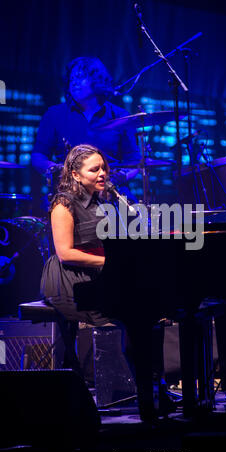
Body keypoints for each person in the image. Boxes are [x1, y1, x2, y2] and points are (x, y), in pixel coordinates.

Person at [40, 143, 174, 423]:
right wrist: (109, 263)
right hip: (70, 277)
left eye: (104, 168)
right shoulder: (63, 204)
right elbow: (65, 253)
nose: (102, 173)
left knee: (152, 310)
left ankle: (153, 387)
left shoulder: (106, 201)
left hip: (101, 271)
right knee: (133, 312)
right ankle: (147, 395)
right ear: (76, 175)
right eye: (94, 169)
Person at [31, 56, 140, 206]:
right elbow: (38, 156)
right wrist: (57, 170)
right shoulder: (54, 114)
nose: (74, 82)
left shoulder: (120, 116)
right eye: (71, 78)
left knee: (135, 218)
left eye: (81, 77)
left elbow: (134, 162)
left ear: (97, 81)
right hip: (68, 194)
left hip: (111, 194)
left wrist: (115, 179)